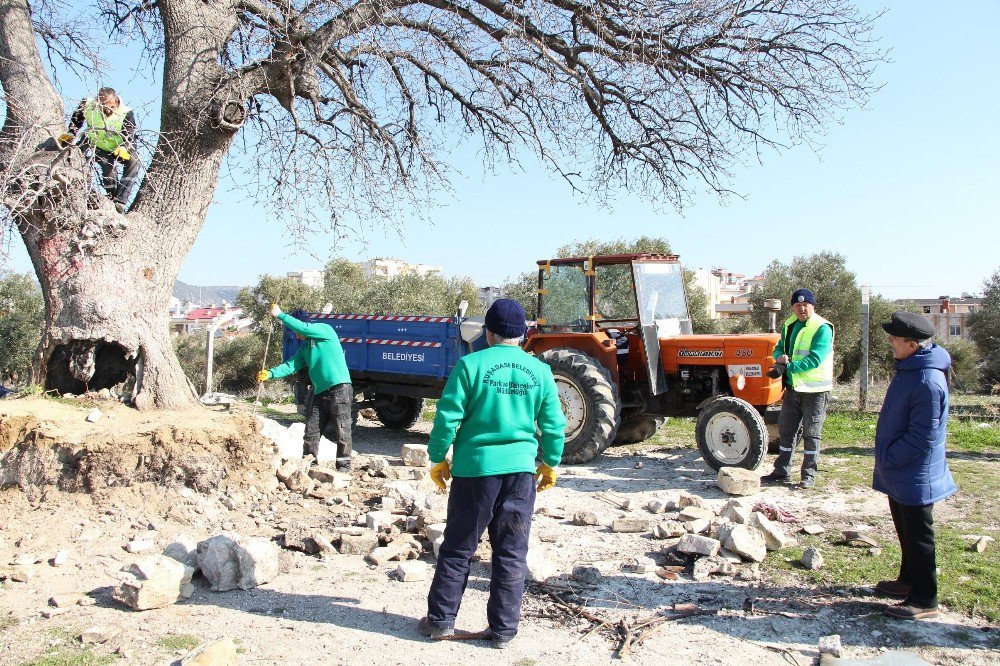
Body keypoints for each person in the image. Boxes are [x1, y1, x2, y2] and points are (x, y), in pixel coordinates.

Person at [420, 299, 566, 649]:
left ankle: (440, 622)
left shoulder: (470, 365)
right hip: (520, 473)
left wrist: (438, 458)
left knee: (457, 547)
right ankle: (503, 631)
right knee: (512, 553)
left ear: (488, 332)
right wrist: (550, 463)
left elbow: (447, 418)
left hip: (475, 472)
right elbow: (553, 425)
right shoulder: (540, 372)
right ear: (524, 334)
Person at [872, 311, 956, 620]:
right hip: (901, 470)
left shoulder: (928, 380)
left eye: (894, 338)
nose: (890, 342)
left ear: (912, 343)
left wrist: (890, 457)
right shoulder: (911, 367)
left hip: (915, 471)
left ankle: (925, 599)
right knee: (905, 528)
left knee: (920, 534)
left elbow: (923, 437)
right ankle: (908, 581)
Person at [256, 304, 354, 471]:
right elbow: (291, 365)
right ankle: (309, 464)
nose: (297, 334)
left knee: (342, 429)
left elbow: (302, 327)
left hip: (340, 388)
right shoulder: (305, 348)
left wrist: (281, 315)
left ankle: (343, 467)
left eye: (297, 330)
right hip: (319, 391)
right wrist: (270, 373)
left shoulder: (325, 330)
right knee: (311, 430)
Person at [761, 288, 834, 488]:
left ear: (812, 306)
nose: (802, 309)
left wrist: (788, 366)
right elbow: (779, 348)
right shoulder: (789, 324)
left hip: (815, 391)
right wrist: (779, 357)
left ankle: (808, 476)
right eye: (797, 305)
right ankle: (782, 472)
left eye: (805, 305)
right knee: (786, 430)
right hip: (793, 389)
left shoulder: (822, 327)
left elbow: (816, 359)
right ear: (793, 307)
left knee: (812, 434)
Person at [58, 87, 141, 212]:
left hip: (118, 147)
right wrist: (71, 133)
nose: (108, 110)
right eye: (104, 107)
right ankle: (111, 198)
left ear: (116, 101)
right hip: (97, 143)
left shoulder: (126, 113)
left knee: (135, 162)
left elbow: (130, 134)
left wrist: (124, 148)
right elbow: (77, 118)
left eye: (111, 107)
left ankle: (120, 201)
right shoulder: (89, 104)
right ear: (98, 102)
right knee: (107, 167)